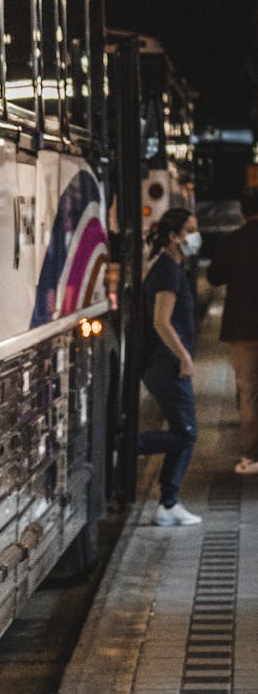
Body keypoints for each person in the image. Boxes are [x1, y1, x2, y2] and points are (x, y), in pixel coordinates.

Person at [138, 207, 202, 526]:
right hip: (167, 365)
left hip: (166, 364)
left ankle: (168, 504)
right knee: (187, 433)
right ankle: (127, 446)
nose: (195, 236)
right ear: (175, 236)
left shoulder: (171, 267)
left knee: (183, 431)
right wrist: (184, 357)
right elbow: (161, 322)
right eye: (190, 230)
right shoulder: (168, 271)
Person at [206, 186, 258, 474]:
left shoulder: (231, 242)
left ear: (242, 212)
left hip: (243, 328)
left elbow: (214, 277)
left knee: (249, 392)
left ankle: (251, 456)